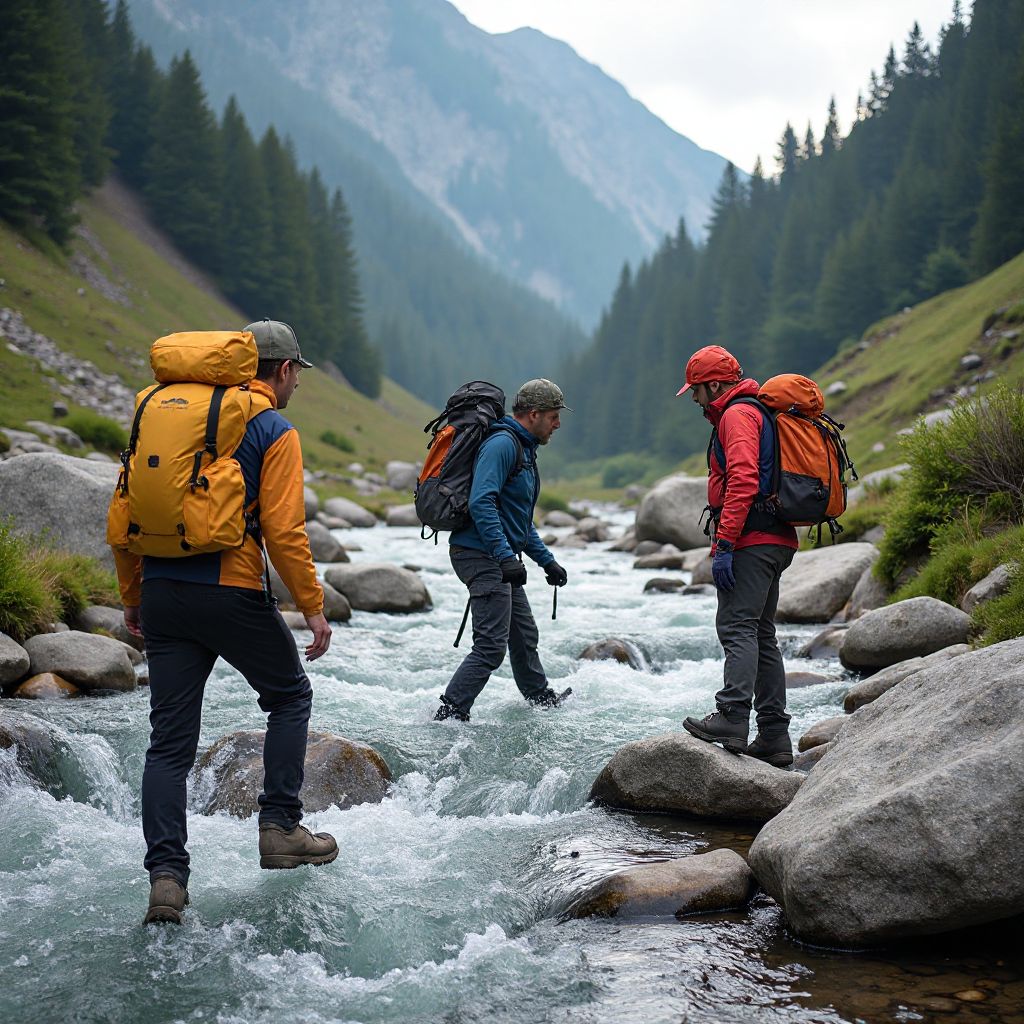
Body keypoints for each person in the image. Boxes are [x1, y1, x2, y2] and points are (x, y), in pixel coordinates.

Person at [112, 319, 337, 926]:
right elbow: (286, 532)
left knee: (168, 744)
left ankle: (166, 880)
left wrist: (133, 597)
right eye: (296, 375)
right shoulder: (273, 429)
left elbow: (125, 512)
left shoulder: (161, 415)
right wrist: (313, 606)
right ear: (284, 370)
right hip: (229, 590)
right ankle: (280, 830)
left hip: (161, 591)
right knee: (289, 696)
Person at [677, 345, 799, 767]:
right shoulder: (753, 411)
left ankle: (732, 716)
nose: (694, 399)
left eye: (696, 390)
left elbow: (744, 479)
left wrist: (725, 544)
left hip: (752, 540)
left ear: (714, 384)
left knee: (737, 626)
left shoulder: (736, 415)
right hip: (775, 538)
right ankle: (774, 735)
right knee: (762, 633)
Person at [433, 378, 572, 722]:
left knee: (524, 634)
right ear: (535, 414)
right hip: (479, 554)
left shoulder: (524, 448)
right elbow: (482, 502)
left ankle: (540, 698)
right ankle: (450, 713)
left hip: (498, 556)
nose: (558, 424)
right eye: (554, 416)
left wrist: (547, 561)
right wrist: (505, 557)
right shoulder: (503, 445)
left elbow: (518, 521)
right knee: (491, 646)